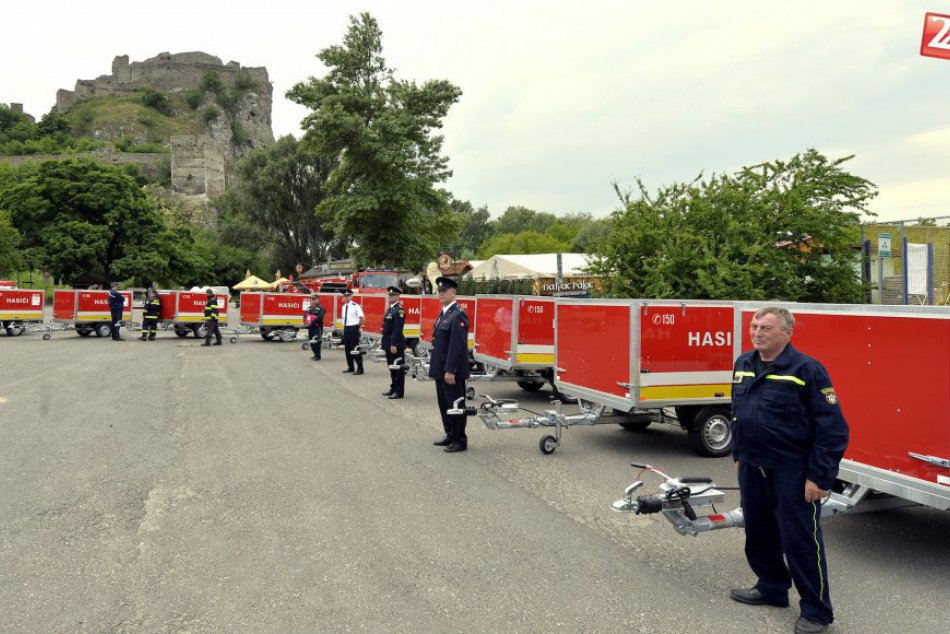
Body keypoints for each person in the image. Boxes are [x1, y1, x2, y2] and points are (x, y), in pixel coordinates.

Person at [729, 306, 849, 634]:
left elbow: (832, 429)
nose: (757, 333)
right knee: (758, 533)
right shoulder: (743, 364)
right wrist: (738, 451)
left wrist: (820, 477)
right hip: (753, 467)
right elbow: (738, 410)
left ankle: (817, 611)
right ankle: (771, 587)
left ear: (787, 333)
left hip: (792, 472)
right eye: (754, 326)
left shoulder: (807, 370)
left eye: (766, 328)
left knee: (801, 542)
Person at [428, 277, 470, 452]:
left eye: (444, 291)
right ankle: (450, 434)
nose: (441, 293)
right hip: (440, 368)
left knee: (455, 405)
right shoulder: (445, 312)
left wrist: (450, 370)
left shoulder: (458, 313)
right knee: (444, 404)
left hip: (450, 370)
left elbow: (457, 346)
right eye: (439, 291)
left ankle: (460, 440)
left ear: (454, 292)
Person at [381, 286, 406, 399]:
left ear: (397, 296)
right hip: (388, 342)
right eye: (389, 295)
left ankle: (399, 391)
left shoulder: (399, 310)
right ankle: (393, 387)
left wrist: (394, 344)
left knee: (398, 368)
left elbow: (397, 329)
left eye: (392, 295)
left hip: (395, 344)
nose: (390, 297)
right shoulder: (390, 309)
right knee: (392, 367)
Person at [340, 289, 364, 375]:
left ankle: (360, 368)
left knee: (355, 348)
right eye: (345, 296)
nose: (346, 298)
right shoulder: (343, 307)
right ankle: (351, 367)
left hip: (354, 328)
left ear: (351, 296)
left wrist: (358, 328)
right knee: (347, 349)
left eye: (348, 296)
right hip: (346, 328)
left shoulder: (355, 306)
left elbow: (361, 318)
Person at [304, 294, 326, 360]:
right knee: (311, 341)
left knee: (316, 341)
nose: (313, 300)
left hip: (317, 327)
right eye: (312, 299)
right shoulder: (310, 308)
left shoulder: (321, 308)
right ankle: (315, 354)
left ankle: (318, 356)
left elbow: (320, 317)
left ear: (318, 299)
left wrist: (312, 322)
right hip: (311, 327)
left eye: (314, 299)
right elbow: (306, 315)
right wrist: (306, 321)